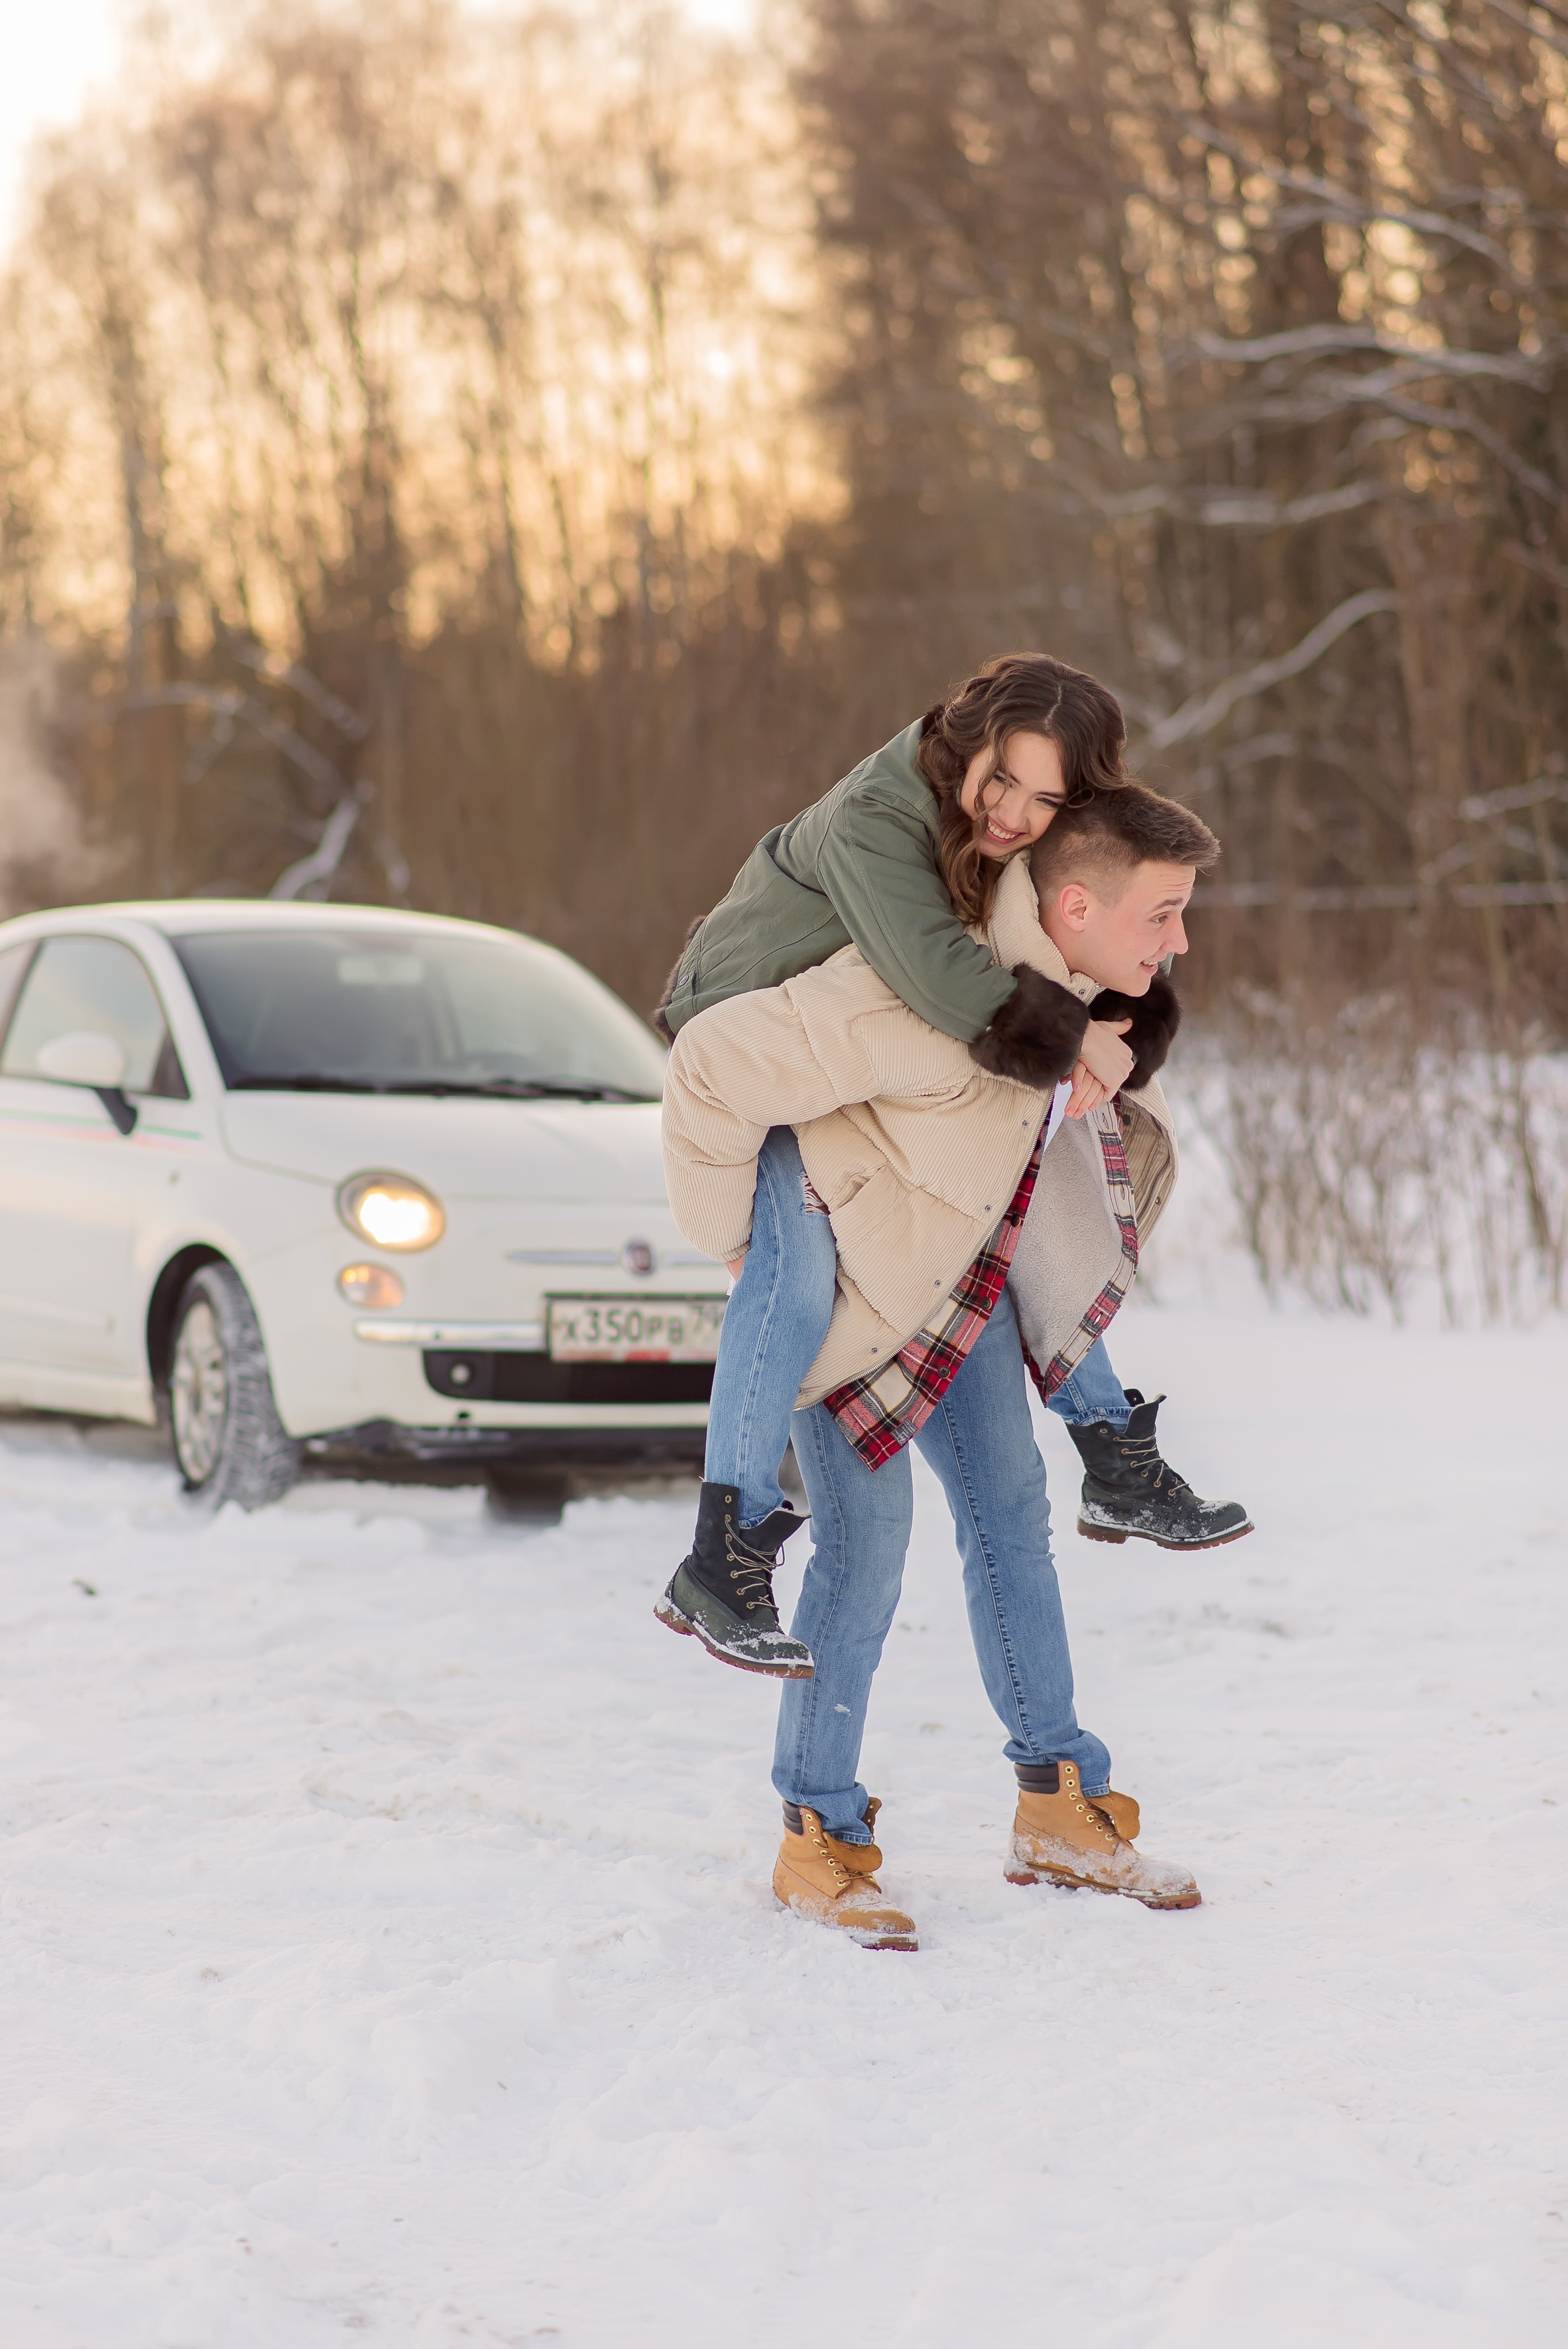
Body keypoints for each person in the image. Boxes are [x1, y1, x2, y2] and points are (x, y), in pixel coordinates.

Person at [660, 783, 1223, 1945]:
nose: (1177, 943)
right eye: (1161, 914)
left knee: (1012, 1515)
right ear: (1074, 904)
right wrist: (749, 1250)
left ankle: (1056, 1804)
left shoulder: (1071, 1003)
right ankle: (816, 1834)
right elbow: (710, 1066)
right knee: (866, 1550)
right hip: (859, 1293)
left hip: (952, 1281)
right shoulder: (913, 995)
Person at [654, 654, 1248, 1680]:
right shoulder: (879, 816)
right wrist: (1074, 1041)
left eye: (1048, 796)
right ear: (962, 743)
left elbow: (1078, 900)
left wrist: (1124, 1011)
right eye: (1000, 781)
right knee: (789, 1275)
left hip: (856, 1062)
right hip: (754, 1044)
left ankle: (1110, 1445)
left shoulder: (1021, 825)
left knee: (1018, 1172)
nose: (1016, 813)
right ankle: (723, 1549)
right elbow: (935, 967)